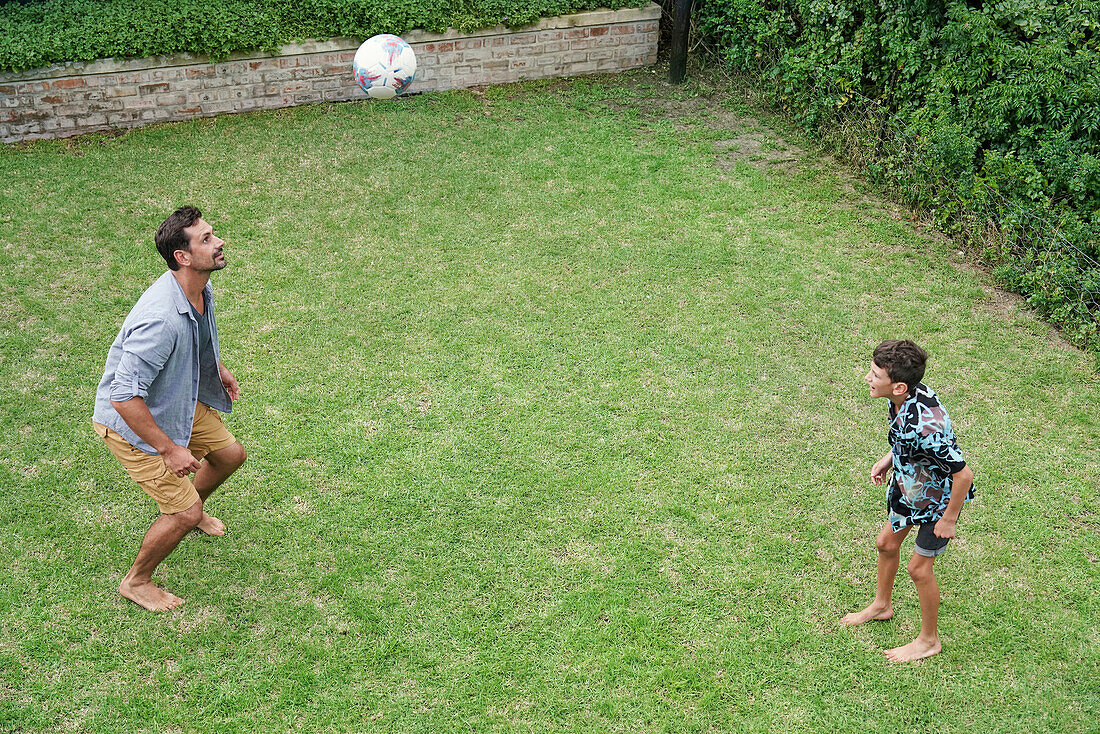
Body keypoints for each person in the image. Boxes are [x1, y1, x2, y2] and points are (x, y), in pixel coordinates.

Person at [92, 206, 246, 612]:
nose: (219, 242)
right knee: (182, 511)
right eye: (208, 239)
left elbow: (198, 338)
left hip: (175, 401)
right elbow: (123, 396)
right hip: (132, 424)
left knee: (230, 455)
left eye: (214, 234)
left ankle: (187, 512)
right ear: (183, 256)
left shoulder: (197, 287)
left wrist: (219, 368)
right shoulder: (160, 318)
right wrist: (169, 449)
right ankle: (136, 581)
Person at [841, 339, 974, 662]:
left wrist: (949, 519)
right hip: (909, 487)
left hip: (937, 503)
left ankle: (929, 640)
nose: (868, 379)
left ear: (898, 386)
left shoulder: (927, 427)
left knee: (919, 569)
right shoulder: (901, 399)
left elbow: (963, 475)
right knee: (886, 544)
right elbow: (904, 437)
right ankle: (881, 605)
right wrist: (889, 459)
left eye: (875, 375)